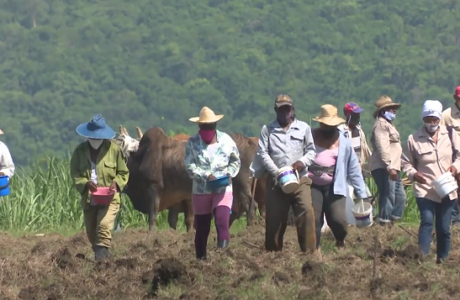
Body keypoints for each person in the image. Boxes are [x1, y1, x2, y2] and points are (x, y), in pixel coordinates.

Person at [254, 94, 317, 253]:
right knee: (274, 220)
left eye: (287, 109)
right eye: (281, 109)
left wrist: (301, 162)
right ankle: (273, 254)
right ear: (276, 110)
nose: (284, 112)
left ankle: (309, 253)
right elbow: (263, 153)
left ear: (292, 110)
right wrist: (277, 172)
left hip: (300, 178)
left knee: (306, 212)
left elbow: (311, 151)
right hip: (276, 181)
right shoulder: (267, 130)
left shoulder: (303, 128)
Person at [403, 100, 460, 264]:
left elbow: (459, 156)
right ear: (423, 119)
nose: (432, 123)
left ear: (439, 118)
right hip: (425, 189)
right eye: (428, 119)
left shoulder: (449, 134)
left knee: (443, 227)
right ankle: (423, 257)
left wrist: (455, 168)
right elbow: (406, 163)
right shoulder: (414, 139)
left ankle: (443, 258)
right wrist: (414, 174)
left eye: (435, 119)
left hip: (447, 188)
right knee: (427, 221)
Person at [184, 106, 241, 260]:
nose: (206, 129)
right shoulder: (192, 143)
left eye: (209, 126)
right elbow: (189, 166)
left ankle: (222, 257)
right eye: (203, 127)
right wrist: (205, 175)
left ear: (215, 126)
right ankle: (201, 260)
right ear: (199, 127)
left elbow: (235, 161)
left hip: (223, 188)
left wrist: (230, 174)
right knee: (202, 228)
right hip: (201, 190)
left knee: (222, 220)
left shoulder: (226, 141)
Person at [70, 114, 129, 262]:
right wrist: (85, 183)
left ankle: (102, 261)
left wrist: (116, 182)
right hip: (90, 197)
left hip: (110, 196)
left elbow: (123, 172)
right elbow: (75, 173)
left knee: (103, 226)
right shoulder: (80, 151)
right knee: (92, 232)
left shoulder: (114, 150)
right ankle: (103, 257)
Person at [309, 104, 368, 249]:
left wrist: (362, 193)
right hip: (312, 184)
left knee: (338, 219)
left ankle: (340, 241)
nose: (328, 128)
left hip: (334, 185)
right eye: (326, 125)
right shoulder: (310, 137)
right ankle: (314, 250)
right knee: (314, 219)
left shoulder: (344, 142)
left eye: (331, 126)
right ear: (321, 124)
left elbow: (353, 169)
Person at [370, 95, 407, 225]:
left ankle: (393, 221)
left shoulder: (389, 125)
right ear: (383, 111)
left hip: (394, 167)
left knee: (400, 197)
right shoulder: (381, 125)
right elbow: (382, 147)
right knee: (388, 195)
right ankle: (384, 223)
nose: (394, 111)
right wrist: (389, 166)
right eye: (391, 109)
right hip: (385, 167)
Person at [337, 102, 373, 226]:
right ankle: (348, 221)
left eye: (358, 115)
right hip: (346, 172)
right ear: (348, 116)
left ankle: (364, 220)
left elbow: (365, 148)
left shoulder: (359, 130)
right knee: (348, 197)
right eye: (355, 115)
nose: (358, 117)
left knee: (364, 195)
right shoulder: (341, 131)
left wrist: (372, 161)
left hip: (358, 169)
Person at [440, 86, 460, 226]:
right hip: (454, 160)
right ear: (455, 98)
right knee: (454, 192)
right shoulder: (447, 115)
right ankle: (454, 222)